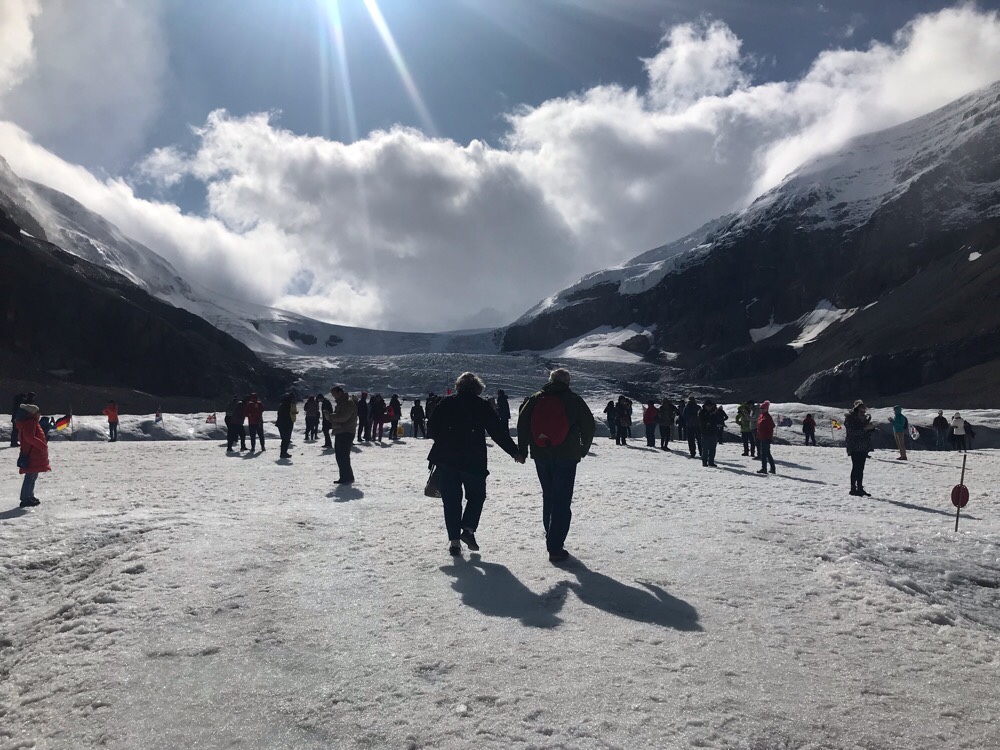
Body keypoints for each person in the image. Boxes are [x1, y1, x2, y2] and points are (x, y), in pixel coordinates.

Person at [428, 372, 525, 556]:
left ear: (458, 386)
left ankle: (454, 543)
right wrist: (514, 452)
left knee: (451, 501)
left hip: (446, 460)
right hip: (473, 460)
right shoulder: (481, 405)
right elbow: (497, 432)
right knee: (476, 496)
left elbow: (431, 428)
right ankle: (468, 529)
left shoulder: (446, 403)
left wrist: (445, 441)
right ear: (477, 388)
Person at [517, 368, 595, 563]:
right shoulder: (574, 399)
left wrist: (523, 449)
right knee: (562, 499)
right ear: (567, 382)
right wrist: (582, 449)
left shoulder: (535, 398)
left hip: (541, 453)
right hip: (567, 454)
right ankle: (555, 545)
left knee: (549, 495)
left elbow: (523, 423)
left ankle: (550, 534)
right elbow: (588, 425)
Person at [15, 402, 50, 507]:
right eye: (37, 412)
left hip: (31, 452)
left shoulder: (29, 421)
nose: (39, 414)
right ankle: (25, 498)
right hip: (32, 453)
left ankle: (29, 495)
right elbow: (29, 437)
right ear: (32, 413)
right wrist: (42, 445)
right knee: (30, 476)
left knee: (33, 475)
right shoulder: (30, 422)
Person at [328, 386, 359, 483]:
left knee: (342, 456)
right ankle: (348, 476)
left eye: (334, 394)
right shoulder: (343, 402)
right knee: (341, 455)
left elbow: (343, 417)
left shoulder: (347, 403)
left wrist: (331, 416)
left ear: (340, 393)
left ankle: (346, 477)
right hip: (342, 431)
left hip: (346, 431)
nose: (334, 397)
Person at [844, 400, 875, 496]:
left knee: (861, 468)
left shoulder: (863, 420)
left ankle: (860, 487)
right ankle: (853, 488)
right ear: (856, 411)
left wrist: (871, 428)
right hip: (854, 446)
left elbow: (865, 432)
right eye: (861, 412)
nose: (863, 414)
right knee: (856, 467)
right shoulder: (850, 419)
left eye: (864, 412)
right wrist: (865, 429)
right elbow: (852, 433)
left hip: (863, 446)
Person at [698, 400, 725, 467]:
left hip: (713, 432)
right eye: (708, 406)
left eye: (710, 406)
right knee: (705, 448)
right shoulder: (702, 412)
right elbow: (703, 422)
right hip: (705, 433)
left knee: (712, 448)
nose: (709, 407)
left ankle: (711, 461)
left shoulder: (714, 412)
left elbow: (717, 420)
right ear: (705, 406)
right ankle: (704, 462)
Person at [756, 400, 776, 474]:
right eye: (761, 408)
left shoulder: (767, 417)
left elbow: (771, 427)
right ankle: (772, 468)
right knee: (767, 453)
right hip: (762, 437)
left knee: (764, 453)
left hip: (766, 438)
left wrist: (768, 437)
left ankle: (764, 468)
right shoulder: (762, 416)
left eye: (762, 408)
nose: (761, 410)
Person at [276, 393, 295, 459]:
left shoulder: (282, 405)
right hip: (286, 424)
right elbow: (287, 415)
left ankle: (284, 452)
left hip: (282, 424)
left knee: (285, 439)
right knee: (286, 439)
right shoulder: (287, 405)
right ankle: (283, 453)